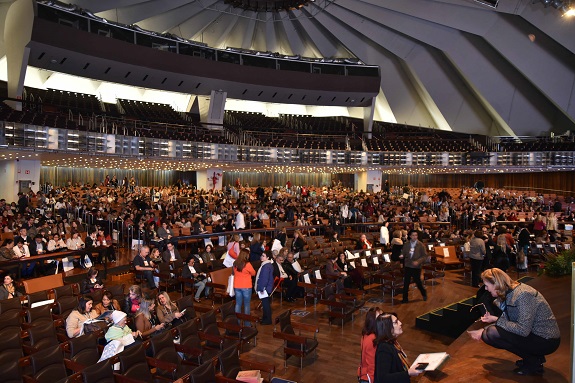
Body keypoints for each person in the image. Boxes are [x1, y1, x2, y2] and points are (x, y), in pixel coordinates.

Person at [468, 268, 560, 376]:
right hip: (534, 334)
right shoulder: (510, 293)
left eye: (487, 285)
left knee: (491, 333)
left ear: (496, 284)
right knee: (488, 333)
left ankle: (533, 361)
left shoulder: (523, 294)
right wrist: (489, 324)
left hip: (546, 340)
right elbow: (511, 322)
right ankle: (532, 358)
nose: (486, 289)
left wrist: (494, 322)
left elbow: (523, 329)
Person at [373, 312, 423, 382]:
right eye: (396, 322)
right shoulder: (384, 349)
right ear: (388, 328)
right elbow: (383, 378)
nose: (400, 323)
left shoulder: (393, 343)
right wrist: (408, 373)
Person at [400, 230, 428, 303]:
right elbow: (403, 252)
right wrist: (402, 255)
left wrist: (418, 262)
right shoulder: (406, 244)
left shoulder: (421, 245)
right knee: (406, 283)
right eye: (413, 235)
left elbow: (425, 256)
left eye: (416, 235)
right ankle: (405, 299)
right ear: (410, 236)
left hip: (416, 267)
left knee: (418, 282)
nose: (415, 237)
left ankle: (423, 293)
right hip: (408, 266)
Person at [359, 307, 383, 383]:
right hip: (368, 378)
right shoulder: (372, 339)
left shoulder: (366, 334)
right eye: (380, 318)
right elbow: (371, 364)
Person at [233, 248, 256, 316]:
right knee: (246, 305)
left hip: (237, 286)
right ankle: (247, 323)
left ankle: (237, 322)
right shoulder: (247, 264)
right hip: (246, 286)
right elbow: (253, 273)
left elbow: (234, 273)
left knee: (238, 304)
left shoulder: (235, 263)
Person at [254, 252, 274, 325]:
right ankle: (265, 318)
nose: (261, 257)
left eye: (263, 256)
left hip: (264, 288)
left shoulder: (266, 266)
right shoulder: (268, 265)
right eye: (261, 255)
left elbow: (264, 279)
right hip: (267, 287)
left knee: (266, 305)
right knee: (266, 304)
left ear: (268, 258)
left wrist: (262, 288)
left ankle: (267, 320)